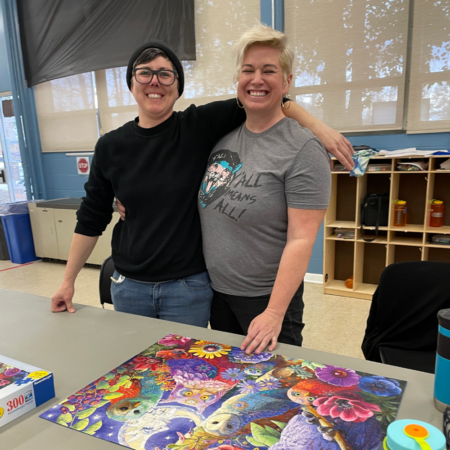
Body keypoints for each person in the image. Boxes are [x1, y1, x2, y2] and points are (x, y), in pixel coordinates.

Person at [51, 38, 350, 327]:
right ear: (131, 83)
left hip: (188, 287)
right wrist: (68, 281)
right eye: (144, 72)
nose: (154, 81)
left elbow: (265, 95)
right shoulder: (110, 146)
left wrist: (317, 127)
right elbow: (91, 217)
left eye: (165, 74)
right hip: (130, 286)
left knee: (189, 373)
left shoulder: (199, 127)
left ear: (178, 87)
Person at [198, 24, 331, 354]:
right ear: (238, 79)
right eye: (248, 70)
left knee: (273, 398)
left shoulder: (303, 148)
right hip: (218, 295)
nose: (257, 79)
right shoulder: (223, 140)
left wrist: (274, 312)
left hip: (267, 303)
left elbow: (302, 238)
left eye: (269, 70)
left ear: (286, 81)